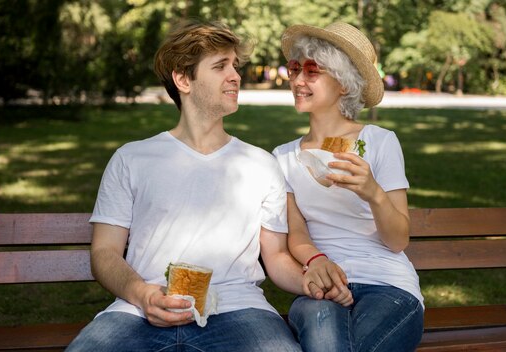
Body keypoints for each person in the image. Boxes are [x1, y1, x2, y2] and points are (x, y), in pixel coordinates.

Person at [67, 20, 304, 351]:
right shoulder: (132, 159)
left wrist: (313, 281)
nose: (235, 76)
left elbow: (276, 255)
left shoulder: (262, 165)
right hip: (139, 309)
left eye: (234, 65)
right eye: (220, 66)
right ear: (182, 79)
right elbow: (104, 252)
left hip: (238, 309)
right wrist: (142, 294)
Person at [272, 22, 424, 351]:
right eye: (295, 69)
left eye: (312, 70)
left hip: (388, 285)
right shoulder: (283, 157)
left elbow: (398, 240)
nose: (298, 81)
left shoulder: (378, 142)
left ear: (343, 83)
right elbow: (296, 234)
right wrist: (318, 262)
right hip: (320, 285)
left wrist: (373, 193)